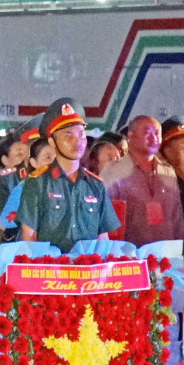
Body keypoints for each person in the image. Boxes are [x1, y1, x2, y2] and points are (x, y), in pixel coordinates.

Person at [17, 98, 120, 251]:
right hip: (51, 270)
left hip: (88, 269)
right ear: (52, 142)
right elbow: (29, 237)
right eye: (68, 136)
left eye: (81, 134)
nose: (77, 141)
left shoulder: (95, 185)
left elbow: (102, 238)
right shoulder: (38, 182)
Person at [100, 115, 184, 246]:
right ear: (131, 135)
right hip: (130, 257)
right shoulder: (113, 172)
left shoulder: (168, 172)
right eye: (147, 133)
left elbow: (177, 218)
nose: (154, 139)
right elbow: (106, 221)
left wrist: (182, 248)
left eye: (157, 133)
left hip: (168, 257)